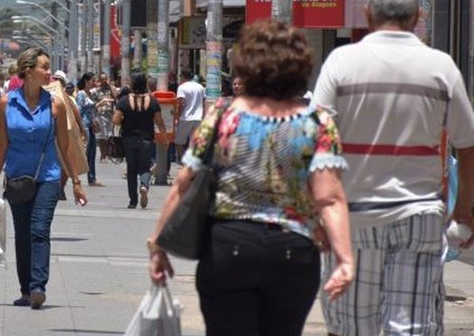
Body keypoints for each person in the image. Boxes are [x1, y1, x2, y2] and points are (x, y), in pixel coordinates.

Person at [148, 19, 354, 336]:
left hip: (228, 247)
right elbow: (329, 198)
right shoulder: (317, 122)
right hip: (293, 250)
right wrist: (344, 259)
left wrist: (158, 244)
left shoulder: (222, 116)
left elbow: (183, 183)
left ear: (245, 66)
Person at [313, 0, 474, 336]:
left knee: (352, 325)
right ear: (417, 17)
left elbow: (317, 141)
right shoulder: (441, 67)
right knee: (411, 327)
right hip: (417, 217)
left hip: (351, 218)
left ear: (368, 14)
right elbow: (467, 145)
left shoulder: (341, 62)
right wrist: (463, 209)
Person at [0, 47, 88, 310]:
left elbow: (64, 147)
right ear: (28, 71)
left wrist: (75, 181)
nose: (49, 72)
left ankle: (38, 286)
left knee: (39, 229)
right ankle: (26, 290)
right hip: (18, 177)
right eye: (44, 67)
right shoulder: (7, 103)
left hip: (48, 177)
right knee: (23, 234)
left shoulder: (55, 104)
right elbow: (2, 146)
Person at [113, 72, 165, 209]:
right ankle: (144, 186)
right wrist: (164, 137)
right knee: (144, 167)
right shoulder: (153, 101)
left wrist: (126, 120)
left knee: (131, 169)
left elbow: (115, 120)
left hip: (129, 138)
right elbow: (159, 121)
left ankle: (132, 201)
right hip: (146, 139)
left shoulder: (124, 101)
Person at [47, 70, 86, 201]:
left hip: (64, 133)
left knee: (64, 162)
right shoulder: (47, 93)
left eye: (60, 80)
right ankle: (57, 187)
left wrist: (81, 128)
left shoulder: (66, 97)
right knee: (58, 162)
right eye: (56, 79)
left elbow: (75, 112)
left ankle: (60, 187)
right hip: (50, 134)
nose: (57, 82)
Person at [76, 72, 102, 186]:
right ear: (86, 81)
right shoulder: (81, 94)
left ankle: (92, 178)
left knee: (92, 152)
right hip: (84, 126)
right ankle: (75, 176)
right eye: (93, 80)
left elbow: (92, 110)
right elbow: (79, 111)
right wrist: (81, 127)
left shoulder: (90, 94)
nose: (94, 83)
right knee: (85, 152)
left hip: (91, 126)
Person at [174, 69, 205, 160]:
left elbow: (181, 103)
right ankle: (194, 162)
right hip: (199, 118)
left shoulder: (182, 87)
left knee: (179, 142)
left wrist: (177, 117)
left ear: (183, 76)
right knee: (195, 143)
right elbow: (203, 102)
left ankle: (185, 162)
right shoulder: (200, 87)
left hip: (185, 118)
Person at [90, 73, 116, 164]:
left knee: (109, 135)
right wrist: (102, 102)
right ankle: (103, 155)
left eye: (105, 79)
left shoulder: (110, 89)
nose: (104, 81)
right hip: (100, 114)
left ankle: (108, 154)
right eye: (102, 79)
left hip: (110, 114)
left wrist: (111, 86)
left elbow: (116, 98)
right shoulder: (96, 91)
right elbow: (93, 103)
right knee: (102, 136)